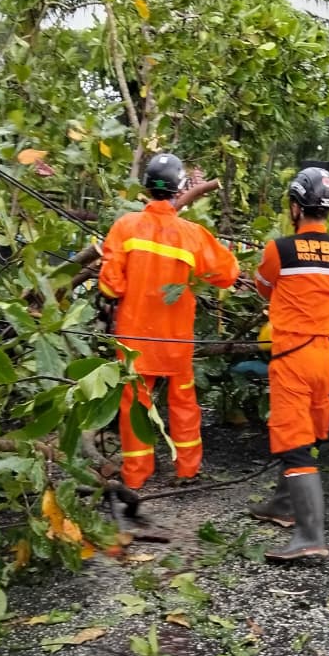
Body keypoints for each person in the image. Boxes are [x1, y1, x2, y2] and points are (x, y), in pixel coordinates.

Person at [98, 153, 239, 490]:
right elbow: (227, 274)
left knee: (136, 405)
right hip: (176, 342)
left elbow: (109, 285)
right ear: (178, 191)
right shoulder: (193, 235)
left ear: (146, 188)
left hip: (134, 341)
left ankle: (136, 474)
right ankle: (187, 470)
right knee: (184, 403)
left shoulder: (125, 228)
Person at [249, 167, 329, 561]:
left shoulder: (281, 250)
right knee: (306, 432)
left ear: (295, 207)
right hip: (327, 358)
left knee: (293, 442)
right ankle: (282, 505)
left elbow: (263, 286)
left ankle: (311, 536)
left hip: (293, 357)